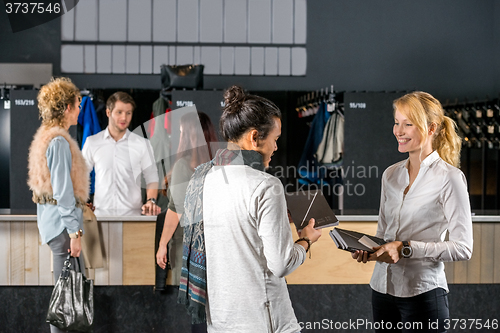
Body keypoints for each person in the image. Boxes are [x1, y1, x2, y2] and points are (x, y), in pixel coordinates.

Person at [178, 86, 322, 333]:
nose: (276, 147)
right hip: (264, 320)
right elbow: (282, 264)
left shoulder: (202, 178)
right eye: (275, 139)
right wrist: (305, 241)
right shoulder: (266, 185)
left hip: (220, 320)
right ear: (255, 137)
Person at [352, 91, 473, 332]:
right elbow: (384, 233)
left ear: (431, 128)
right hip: (382, 290)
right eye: (397, 123)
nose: (398, 131)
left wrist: (405, 247)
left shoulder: (450, 178)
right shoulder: (391, 174)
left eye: (408, 124)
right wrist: (372, 250)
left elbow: (463, 248)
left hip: (423, 294)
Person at [27, 77, 88, 333]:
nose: (79, 108)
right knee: (68, 299)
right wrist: (75, 233)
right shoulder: (60, 142)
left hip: (55, 226)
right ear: (65, 108)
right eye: (76, 104)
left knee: (66, 295)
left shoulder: (47, 138)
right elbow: (63, 194)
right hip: (64, 229)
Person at [155, 112, 217, 332]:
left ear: (189, 135)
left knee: (198, 312)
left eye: (181, 133)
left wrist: (163, 244)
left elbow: (176, 210)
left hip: (194, 251)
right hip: (218, 248)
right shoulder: (219, 164)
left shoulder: (183, 166)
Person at [82, 92, 161, 216]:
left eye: (128, 113)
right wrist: (83, 201)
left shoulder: (142, 144)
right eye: (119, 112)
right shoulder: (92, 142)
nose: (124, 118)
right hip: (100, 216)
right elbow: (81, 176)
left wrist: (151, 201)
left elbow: (152, 178)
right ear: (108, 112)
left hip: (134, 217)